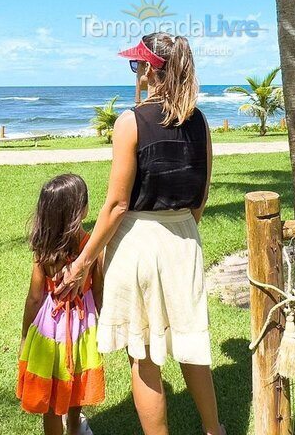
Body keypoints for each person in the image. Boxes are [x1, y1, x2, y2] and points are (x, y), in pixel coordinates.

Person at [56, 32, 225, 435]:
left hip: (138, 242)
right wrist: (178, 233)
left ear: (150, 69)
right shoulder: (200, 122)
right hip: (184, 239)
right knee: (191, 341)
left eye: (137, 65)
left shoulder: (130, 122)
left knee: (144, 353)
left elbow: (115, 205)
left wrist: (81, 264)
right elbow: (200, 197)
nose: (136, 72)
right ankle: (214, 430)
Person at [17, 173, 105, 435]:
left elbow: (34, 297)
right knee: (75, 385)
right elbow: (99, 293)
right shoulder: (91, 247)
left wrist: (25, 335)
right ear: (82, 209)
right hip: (82, 328)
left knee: (52, 398)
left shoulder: (43, 249)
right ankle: (75, 428)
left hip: (49, 331)